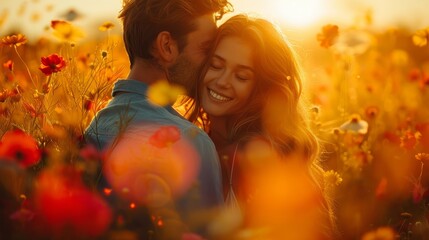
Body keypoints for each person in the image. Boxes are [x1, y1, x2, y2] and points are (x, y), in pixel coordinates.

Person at [84, 0, 232, 239]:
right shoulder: (190, 142)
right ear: (166, 46)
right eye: (206, 48)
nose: (211, 63)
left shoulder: (96, 125)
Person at [182, 14, 338, 239]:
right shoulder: (208, 142)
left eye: (242, 76)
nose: (223, 81)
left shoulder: (251, 155)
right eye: (216, 65)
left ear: (262, 88)